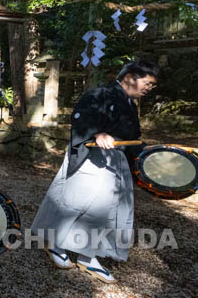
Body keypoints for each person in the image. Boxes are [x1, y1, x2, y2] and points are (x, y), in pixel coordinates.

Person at [30, 60, 159, 283]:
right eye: (147, 83)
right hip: (93, 158)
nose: (149, 88)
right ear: (129, 77)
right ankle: (57, 245)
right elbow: (81, 119)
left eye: (152, 85)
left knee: (109, 210)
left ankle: (87, 255)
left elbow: (132, 136)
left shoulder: (128, 103)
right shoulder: (100, 94)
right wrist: (97, 134)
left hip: (115, 159)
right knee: (80, 204)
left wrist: (146, 152)